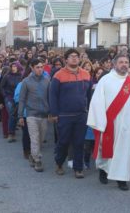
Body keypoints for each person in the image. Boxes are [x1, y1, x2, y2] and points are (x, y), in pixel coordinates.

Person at [87, 54, 130, 191]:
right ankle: (104, 171)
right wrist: (100, 121)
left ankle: (121, 179)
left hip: (126, 124)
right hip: (109, 123)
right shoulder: (105, 80)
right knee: (107, 150)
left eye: (126, 62)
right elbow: (97, 102)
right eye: (121, 62)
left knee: (124, 152)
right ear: (114, 64)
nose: (124, 64)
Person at [49, 49, 91, 179]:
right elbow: (52, 95)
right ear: (66, 60)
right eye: (71, 57)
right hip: (64, 115)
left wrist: (89, 110)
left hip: (81, 115)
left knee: (79, 143)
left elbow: (89, 95)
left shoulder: (86, 74)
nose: (74, 58)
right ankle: (59, 163)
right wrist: (54, 113)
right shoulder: (58, 75)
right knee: (64, 142)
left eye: (76, 56)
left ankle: (78, 168)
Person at [18, 59, 50, 172]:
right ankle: (37, 160)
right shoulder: (26, 82)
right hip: (31, 115)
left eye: (41, 67)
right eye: (37, 67)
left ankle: (33, 155)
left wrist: (51, 112)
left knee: (41, 139)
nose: (40, 69)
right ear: (32, 68)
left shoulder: (47, 80)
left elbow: (50, 97)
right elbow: (21, 99)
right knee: (35, 138)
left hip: (44, 115)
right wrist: (20, 116)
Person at [0, 62, 22, 142]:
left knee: (16, 115)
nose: (13, 68)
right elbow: (1, 86)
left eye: (15, 66)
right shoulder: (7, 76)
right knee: (12, 114)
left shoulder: (21, 76)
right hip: (9, 97)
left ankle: (12, 132)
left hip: (18, 97)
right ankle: (10, 133)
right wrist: (5, 95)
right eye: (12, 66)